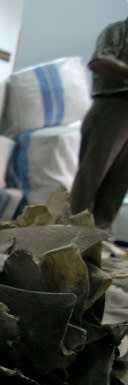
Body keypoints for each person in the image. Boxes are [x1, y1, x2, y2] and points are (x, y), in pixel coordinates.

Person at [69, 17, 128, 228]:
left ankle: (96, 243)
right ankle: (68, 240)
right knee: (90, 182)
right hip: (113, 107)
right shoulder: (119, 30)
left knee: (116, 188)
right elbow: (99, 62)